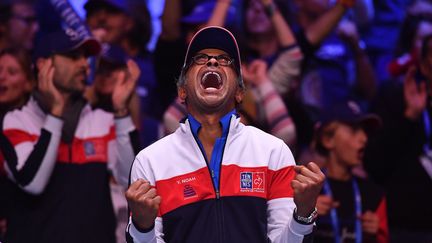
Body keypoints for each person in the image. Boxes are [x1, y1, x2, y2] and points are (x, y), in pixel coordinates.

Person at [125, 26, 324, 242]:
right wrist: (142, 227)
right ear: (182, 91)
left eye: (224, 60)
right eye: (200, 59)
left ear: (239, 92)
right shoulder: (151, 161)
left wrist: (303, 214)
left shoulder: (272, 153)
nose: (212, 62)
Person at [0, 28, 140, 243]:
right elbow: (32, 182)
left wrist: (121, 111)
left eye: (85, 57)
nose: (84, 64)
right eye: (73, 57)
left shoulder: (102, 121)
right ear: (43, 65)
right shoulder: (17, 121)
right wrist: (56, 114)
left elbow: (130, 180)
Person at [364, 34, 432, 242]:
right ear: (424, 65)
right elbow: (375, 163)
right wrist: (410, 116)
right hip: (405, 227)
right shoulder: (394, 96)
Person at [312, 101, 388, 243]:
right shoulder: (304, 189)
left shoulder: (374, 195)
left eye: (366, 132)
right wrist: (303, 212)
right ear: (328, 139)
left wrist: (375, 235)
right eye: (354, 130)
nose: (364, 139)